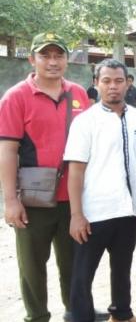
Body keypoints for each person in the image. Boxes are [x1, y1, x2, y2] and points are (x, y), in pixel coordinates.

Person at [0, 33, 109, 322]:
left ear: (66, 59)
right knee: (33, 265)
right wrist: (10, 201)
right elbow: (8, 151)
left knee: (74, 260)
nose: (52, 62)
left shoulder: (78, 94)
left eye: (58, 55)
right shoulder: (15, 97)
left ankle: (75, 309)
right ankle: (36, 316)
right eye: (45, 55)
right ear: (32, 59)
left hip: (74, 197)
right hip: (34, 199)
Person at [64, 59, 136, 322]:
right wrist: (76, 215)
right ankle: (81, 317)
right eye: (106, 81)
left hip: (130, 210)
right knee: (83, 273)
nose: (113, 86)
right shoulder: (85, 122)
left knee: (122, 267)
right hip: (95, 212)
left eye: (118, 80)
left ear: (128, 83)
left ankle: (122, 313)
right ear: (96, 84)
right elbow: (76, 170)